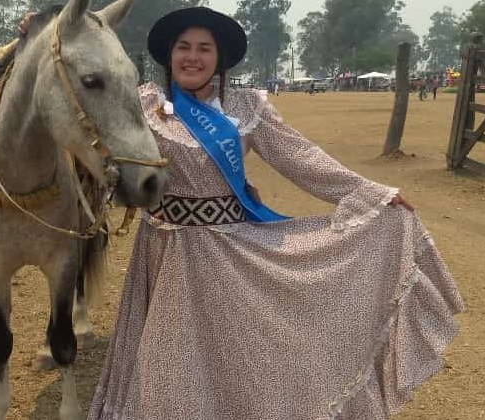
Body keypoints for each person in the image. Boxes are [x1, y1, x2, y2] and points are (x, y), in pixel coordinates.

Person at [85, 7, 464, 420]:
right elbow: (81, 100)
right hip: (163, 251)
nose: (192, 57)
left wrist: (370, 192)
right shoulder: (144, 104)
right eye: (183, 48)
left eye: (204, 49)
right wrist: (42, 33)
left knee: (233, 353)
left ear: (220, 58)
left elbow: (300, 158)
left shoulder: (246, 108)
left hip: (226, 253)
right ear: (169, 54)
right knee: (168, 354)